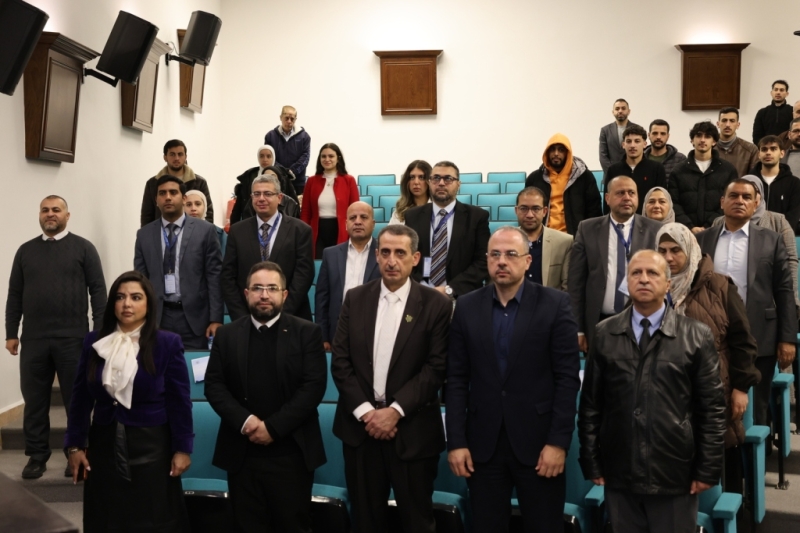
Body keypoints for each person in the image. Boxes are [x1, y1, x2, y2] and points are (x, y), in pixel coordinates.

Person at [579, 250, 726, 533]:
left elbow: (712, 410)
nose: (644, 279)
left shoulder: (696, 335)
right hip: (620, 470)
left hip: (674, 472)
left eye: (653, 273)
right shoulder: (605, 333)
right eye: (636, 273)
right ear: (627, 281)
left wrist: (708, 468)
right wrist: (591, 461)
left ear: (668, 284)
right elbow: (591, 406)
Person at [446, 226, 581, 532]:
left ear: (527, 261)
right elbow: (456, 379)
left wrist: (558, 443)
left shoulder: (555, 303)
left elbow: (567, 379)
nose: (502, 261)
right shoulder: (466, 306)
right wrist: (456, 441)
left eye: (510, 254)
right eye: (495, 255)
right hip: (483, 446)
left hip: (540, 445)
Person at [331, 225, 452, 533]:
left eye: (400, 253)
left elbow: (436, 368)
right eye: (385, 252)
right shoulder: (355, 298)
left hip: (412, 433)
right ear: (376, 255)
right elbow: (341, 362)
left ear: (415, 258)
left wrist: (394, 411)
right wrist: (367, 413)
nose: (391, 261)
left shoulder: (436, 304)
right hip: (361, 432)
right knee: (365, 522)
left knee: (417, 522)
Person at [64, 271, 193, 531]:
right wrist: (74, 446)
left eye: (136, 297)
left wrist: (182, 449)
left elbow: (179, 402)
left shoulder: (167, 343)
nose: (127, 304)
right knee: (106, 517)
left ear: (148, 303)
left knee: (152, 519)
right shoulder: (94, 341)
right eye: (120, 297)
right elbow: (80, 398)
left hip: (152, 447)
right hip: (103, 444)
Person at [205, 261, 327, 533]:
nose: (264, 295)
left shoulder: (307, 332)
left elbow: (313, 388)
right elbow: (214, 386)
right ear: (246, 293)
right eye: (257, 288)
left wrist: (272, 428)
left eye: (272, 288)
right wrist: (246, 421)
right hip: (242, 452)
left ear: (284, 294)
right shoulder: (226, 335)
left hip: (292, 453)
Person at [5, 196, 107, 479]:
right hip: (34, 339)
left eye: (56, 210)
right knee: (35, 402)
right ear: (39, 215)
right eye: (45, 210)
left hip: (73, 339)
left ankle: (75, 453)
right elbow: (14, 294)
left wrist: (98, 333)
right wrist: (11, 332)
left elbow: (98, 291)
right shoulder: (25, 251)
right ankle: (36, 456)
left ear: (67, 215)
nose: (50, 214)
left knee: (77, 401)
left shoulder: (84, 248)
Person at [655, 223, 760, 493]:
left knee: (718, 464)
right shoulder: (650, 287)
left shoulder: (720, 286)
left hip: (713, 391)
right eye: (662, 250)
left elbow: (743, 342)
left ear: (690, 250)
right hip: (664, 395)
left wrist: (740, 388)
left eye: (675, 250)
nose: (668, 257)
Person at [696, 179, 797, 441]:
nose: (739, 201)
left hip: (759, 335)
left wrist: (787, 338)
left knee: (756, 407)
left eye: (746, 197)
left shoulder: (771, 240)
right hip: (711, 335)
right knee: (713, 405)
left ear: (756, 203)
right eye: (734, 196)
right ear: (722, 202)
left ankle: (755, 464)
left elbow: (784, 291)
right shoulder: (702, 239)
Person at [568, 176, 662, 352]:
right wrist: (578, 328)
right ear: (607, 198)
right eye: (620, 193)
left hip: (642, 321)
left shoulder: (655, 230)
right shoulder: (587, 229)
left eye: (631, 193)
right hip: (598, 322)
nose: (627, 197)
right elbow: (576, 283)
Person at [134, 175, 223, 349]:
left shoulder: (205, 231)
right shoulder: (144, 235)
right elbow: (140, 280)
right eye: (162, 193)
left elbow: (214, 276)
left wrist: (216, 318)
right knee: (158, 364)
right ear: (156, 200)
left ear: (183, 198)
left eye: (173, 192)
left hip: (195, 320)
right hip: (158, 318)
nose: (167, 197)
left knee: (194, 364)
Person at [223, 174, 314, 321]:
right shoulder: (237, 231)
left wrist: (280, 316)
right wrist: (243, 317)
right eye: (256, 194)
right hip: (247, 318)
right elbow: (228, 277)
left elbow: (304, 275)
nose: (261, 198)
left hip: (291, 318)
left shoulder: (300, 230)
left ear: (279, 197)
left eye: (267, 193)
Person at [711, 174, 800, 314]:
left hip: (765, 303)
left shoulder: (778, 221)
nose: (740, 200)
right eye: (735, 195)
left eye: (749, 194)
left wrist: (792, 299)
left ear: (759, 197)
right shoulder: (719, 222)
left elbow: (790, 260)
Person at [404, 160, 490, 299]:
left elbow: (483, 261)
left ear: (458, 184)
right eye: (436, 178)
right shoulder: (412, 216)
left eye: (448, 179)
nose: (441, 183)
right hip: (420, 294)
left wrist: (450, 289)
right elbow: (407, 256)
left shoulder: (477, 217)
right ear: (429, 183)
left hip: (462, 297)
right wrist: (421, 286)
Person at [316, 201, 380, 351]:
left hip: (375, 332)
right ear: (346, 224)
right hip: (338, 332)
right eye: (352, 218)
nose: (357, 222)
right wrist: (323, 336)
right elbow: (322, 299)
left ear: (373, 224)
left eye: (363, 217)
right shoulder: (330, 254)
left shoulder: (384, 253)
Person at [524, 133, 602, 235]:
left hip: (575, 237)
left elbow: (594, 212)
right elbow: (525, 210)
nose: (556, 153)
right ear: (547, 152)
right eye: (552, 150)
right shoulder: (534, 179)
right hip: (543, 236)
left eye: (561, 150)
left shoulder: (584, 177)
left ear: (567, 153)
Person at [668, 121, 738, 234]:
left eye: (707, 136)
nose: (702, 140)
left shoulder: (727, 170)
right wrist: (690, 226)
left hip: (718, 231)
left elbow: (730, 201)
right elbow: (673, 203)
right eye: (698, 136)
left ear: (714, 141)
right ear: (692, 140)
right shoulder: (678, 170)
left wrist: (709, 225)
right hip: (685, 232)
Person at [300, 143, 360, 258]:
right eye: (323, 156)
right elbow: (306, 212)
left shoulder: (349, 180)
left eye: (331, 156)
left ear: (338, 158)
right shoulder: (311, 181)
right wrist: (303, 233)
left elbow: (355, 210)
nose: (327, 159)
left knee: (338, 263)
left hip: (341, 230)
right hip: (317, 231)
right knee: (318, 263)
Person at [141, 139, 213, 226]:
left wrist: (204, 232)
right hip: (161, 231)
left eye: (180, 154)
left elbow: (208, 214)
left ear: (185, 157)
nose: (176, 158)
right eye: (172, 154)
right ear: (165, 157)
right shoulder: (153, 184)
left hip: (193, 231)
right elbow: (147, 216)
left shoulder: (199, 183)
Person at [515, 187, 573, 290]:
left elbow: (568, 287)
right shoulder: (503, 241)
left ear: (545, 211)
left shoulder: (565, 242)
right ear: (516, 210)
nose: (529, 215)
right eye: (524, 208)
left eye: (536, 209)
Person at [604, 124, 667, 213]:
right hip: (621, 219)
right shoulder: (613, 170)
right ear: (623, 145)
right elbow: (607, 202)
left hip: (647, 219)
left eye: (637, 141)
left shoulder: (656, 169)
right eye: (628, 141)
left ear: (644, 144)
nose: (632, 145)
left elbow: (662, 200)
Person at [230, 145, 298, 225]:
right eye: (261, 156)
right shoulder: (249, 177)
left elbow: (293, 206)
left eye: (268, 156)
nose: (265, 159)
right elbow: (239, 207)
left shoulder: (283, 176)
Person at [752, 135, 800, 234]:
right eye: (764, 149)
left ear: (782, 153)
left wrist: (776, 235)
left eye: (773, 149)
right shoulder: (748, 182)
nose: (768, 152)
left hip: (782, 236)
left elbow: (793, 216)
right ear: (759, 154)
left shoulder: (794, 183)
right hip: (752, 236)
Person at [264, 105, 311, 194]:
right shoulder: (270, 136)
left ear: (295, 119)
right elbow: (270, 158)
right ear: (281, 117)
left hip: (298, 182)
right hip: (276, 180)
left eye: (292, 119)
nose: (289, 121)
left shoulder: (304, 137)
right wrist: (283, 172)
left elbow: (305, 157)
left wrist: (292, 171)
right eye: (286, 118)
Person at [716, 108, 759, 178]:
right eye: (724, 120)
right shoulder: (708, 148)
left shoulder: (751, 150)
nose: (727, 124)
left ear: (738, 125)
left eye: (732, 121)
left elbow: (754, 178)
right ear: (718, 124)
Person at [599, 98, 640, 172]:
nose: (620, 111)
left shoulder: (638, 129)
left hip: (633, 173)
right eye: (617, 109)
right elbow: (603, 156)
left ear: (629, 111)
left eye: (623, 108)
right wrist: (613, 172)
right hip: (611, 174)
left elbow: (640, 153)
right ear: (613, 112)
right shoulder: (605, 130)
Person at [389, 160, 432, 225]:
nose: (416, 182)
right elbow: (390, 231)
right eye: (412, 177)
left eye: (421, 177)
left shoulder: (437, 208)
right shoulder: (400, 212)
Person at [753, 80, 793, 144]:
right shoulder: (762, 112)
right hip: (767, 147)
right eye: (776, 89)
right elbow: (757, 136)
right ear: (771, 93)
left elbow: (794, 133)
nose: (778, 92)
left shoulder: (792, 111)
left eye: (781, 90)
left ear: (787, 94)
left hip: (787, 147)